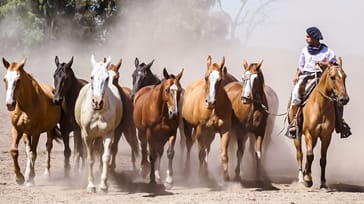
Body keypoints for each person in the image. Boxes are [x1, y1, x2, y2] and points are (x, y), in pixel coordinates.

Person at [286, 26, 351, 139]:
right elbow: (301, 66)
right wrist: (297, 75)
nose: (306, 39)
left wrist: (325, 63)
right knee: (296, 94)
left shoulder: (327, 51)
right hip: (306, 77)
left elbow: (336, 66)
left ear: (315, 38)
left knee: (337, 98)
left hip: (323, 78)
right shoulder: (304, 50)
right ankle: (294, 123)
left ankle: (340, 123)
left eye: (308, 36)